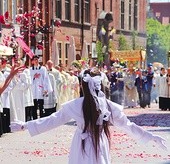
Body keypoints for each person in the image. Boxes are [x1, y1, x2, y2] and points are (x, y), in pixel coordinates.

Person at [10, 68, 167, 164]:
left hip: (81, 144)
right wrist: (151, 136)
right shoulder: (107, 105)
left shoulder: (76, 105)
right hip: (100, 142)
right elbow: (128, 126)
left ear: (83, 85)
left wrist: (26, 125)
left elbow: (53, 120)